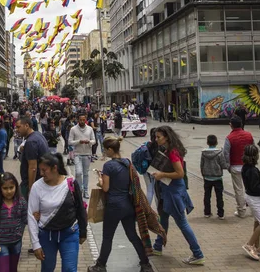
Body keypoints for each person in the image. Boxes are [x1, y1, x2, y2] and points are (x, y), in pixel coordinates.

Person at [88, 137, 153, 272]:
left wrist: (100, 179)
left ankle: (100, 265)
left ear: (111, 150)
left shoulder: (109, 166)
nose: (104, 153)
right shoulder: (127, 163)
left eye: (105, 150)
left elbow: (105, 188)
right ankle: (146, 264)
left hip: (113, 206)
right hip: (128, 205)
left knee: (107, 237)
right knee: (132, 235)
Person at [151, 126, 204, 265]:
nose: (156, 140)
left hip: (173, 192)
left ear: (167, 137)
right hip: (168, 191)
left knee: (182, 223)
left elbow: (180, 173)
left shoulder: (173, 152)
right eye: (156, 137)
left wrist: (162, 174)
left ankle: (197, 253)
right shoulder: (170, 150)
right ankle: (157, 247)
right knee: (163, 219)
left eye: (159, 137)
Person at [28, 153, 87, 272]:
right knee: (47, 268)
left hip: (70, 233)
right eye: (40, 170)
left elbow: (80, 208)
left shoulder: (70, 183)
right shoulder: (36, 187)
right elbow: (32, 216)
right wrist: (35, 244)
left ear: (55, 168)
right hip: (46, 235)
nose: (41, 173)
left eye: (44, 170)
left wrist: (83, 232)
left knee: (70, 269)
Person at [223, 115, 254, 218]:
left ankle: (241, 211)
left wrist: (228, 166)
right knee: (250, 187)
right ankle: (255, 209)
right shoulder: (249, 135)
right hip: (249, 166)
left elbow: (226, 153)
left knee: (239, 189)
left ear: (231, 125)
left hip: (235, 166)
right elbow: (253, 149)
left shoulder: (229, 138)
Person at [17, 117, 49, 199]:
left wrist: (31, 189)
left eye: (18, 127)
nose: (16, 130)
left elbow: (32, 167)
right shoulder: (38, 135)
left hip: (33, 183)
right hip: (41, 181)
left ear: (26, 125)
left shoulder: (31, 142)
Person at [200, 135, 228, 219]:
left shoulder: (204, 153)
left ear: (207, 142)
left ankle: (207, 212)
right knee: (219, 196)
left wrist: (203, 174)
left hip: (207, 178)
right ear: (216, 142)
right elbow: (223, 165)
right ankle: (220, 214)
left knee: (207, 195)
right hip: (217, 178)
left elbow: (201, 165)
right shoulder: (220, 153)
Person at [69, 113, 96, 199]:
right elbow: (70, 141)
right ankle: (79, 190)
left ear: (86, 120)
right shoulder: (73, 129)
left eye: (83, 120)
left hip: (87, 154)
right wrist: (79, 141)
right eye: (80, 120)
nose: (82, 121)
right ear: (77, 120)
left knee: (86, 173)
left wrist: (89, 142)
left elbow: (94, 140)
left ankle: (86, 190)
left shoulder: (90, 129)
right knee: (78, 172)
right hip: (77, 154)